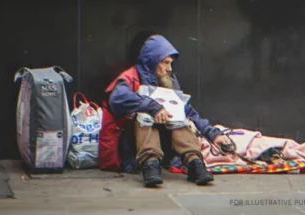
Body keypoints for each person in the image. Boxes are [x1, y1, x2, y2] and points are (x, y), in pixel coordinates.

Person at [99, 34, 231, 187]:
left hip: (164, 143)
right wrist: (153, 107)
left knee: (178, 115)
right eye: (165, 63)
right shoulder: (130, 77)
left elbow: (187, 110)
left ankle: (195, 163)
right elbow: (117, 98)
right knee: (145, 115)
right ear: (152, 60)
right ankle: (150, 165)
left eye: (171, 63)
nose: (169, 68)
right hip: (132, 144)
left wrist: (213, 135)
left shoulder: (168, 80)